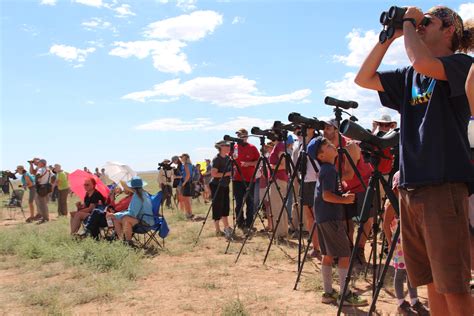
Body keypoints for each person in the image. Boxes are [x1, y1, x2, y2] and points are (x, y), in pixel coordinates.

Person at [355, 5, 474, 315]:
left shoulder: (461, 64)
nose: (420, 26)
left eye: (428, 22)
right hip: (412, 187)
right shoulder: (410, 76)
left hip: (443, 184)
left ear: (449, 30)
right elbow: (363, 78)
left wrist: (408, 21)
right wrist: (389, 37)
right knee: (430, 282)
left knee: (454, 286)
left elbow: (421, 60)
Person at [308, 136, 367, 306]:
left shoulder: (328, 169)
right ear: (321, 155)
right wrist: (345, 200)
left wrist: (342, 195)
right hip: (331, 217)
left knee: (328, 255)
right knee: (344, 255)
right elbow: (326, 196)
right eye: (326, 145)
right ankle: (345, 295)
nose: (331, 144)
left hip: (323, 217)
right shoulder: (329, 170)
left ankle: (328, 293)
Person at [384, 172, 430, 315]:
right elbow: (385, 225)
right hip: (398, 244)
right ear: (396, 188)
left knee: (412, 272)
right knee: (400, 272)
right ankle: (401, 302)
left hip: (410, 241)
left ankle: (414, 300)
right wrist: (389, 241)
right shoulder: (391, 204)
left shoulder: (409, 201)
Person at [292, 125, 321, 258]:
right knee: (309, 216)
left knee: (318, 215)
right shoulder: (301, 144)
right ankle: (315, 247)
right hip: (306, 181)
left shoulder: (318, 141)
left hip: (317, 182)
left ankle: (323, 246)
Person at [108, 176, 153, 245]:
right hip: (147, 220)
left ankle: (128, 242)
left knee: (126, 219)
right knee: (116, 219)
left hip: (145, 222)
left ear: (132, 187)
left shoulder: (137, 196)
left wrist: (116, 214)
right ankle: (121, 241)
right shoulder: (144, 193)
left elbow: (132, 213)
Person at [233, 128, 259, 231]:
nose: (239, 137)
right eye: (238, 135)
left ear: (246, 136)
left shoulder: (252, 148)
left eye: (241, 135)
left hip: (249, 179)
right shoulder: (234, 147)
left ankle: (249, 224)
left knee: (250, 202)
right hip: (237, 179)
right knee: (239, 202)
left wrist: (249, 164)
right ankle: (240, 223)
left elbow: (258, 161)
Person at [210, 140, 233, 239]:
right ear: (221, 147)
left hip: (225, 185)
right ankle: (217, 229)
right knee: (217, 206)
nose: (229, 147)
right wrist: (228, 174)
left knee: (225, 206)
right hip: (217, 185)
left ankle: (226, 227)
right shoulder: (217, 159)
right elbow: (214, 174)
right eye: (227, 146)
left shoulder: (228, 158)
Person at [268, 136, 289, 239]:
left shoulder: (280, 146)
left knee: (277, 206)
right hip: (278, 179)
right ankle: (282, 231)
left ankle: (279, 233)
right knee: (279, 205)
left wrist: (271, 166)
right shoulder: (279, 146)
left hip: (278, 179)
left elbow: (285, 165)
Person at [34, 159, 51, 224]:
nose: (38, 164)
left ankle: (45, 218)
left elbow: (37, 175)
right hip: (47, 187)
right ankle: (46, 217)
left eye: (39, 163)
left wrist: (37, 181)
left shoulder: (40, 169)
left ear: (42, 163)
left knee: (41, 203)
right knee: (44, 204)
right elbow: (54, 177)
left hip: (41, 187)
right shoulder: (48, 169)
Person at [179, 153, 194, 219]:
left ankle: (188, 214)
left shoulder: (185, 165)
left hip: (186, 182)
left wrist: (184, 183)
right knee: (187, 200)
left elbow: (187, 175)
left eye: (182, 157)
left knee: (186, 200)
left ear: (185, 158)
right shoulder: (190, 165)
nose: (181, 158)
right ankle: (190, 213)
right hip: (189, 182)